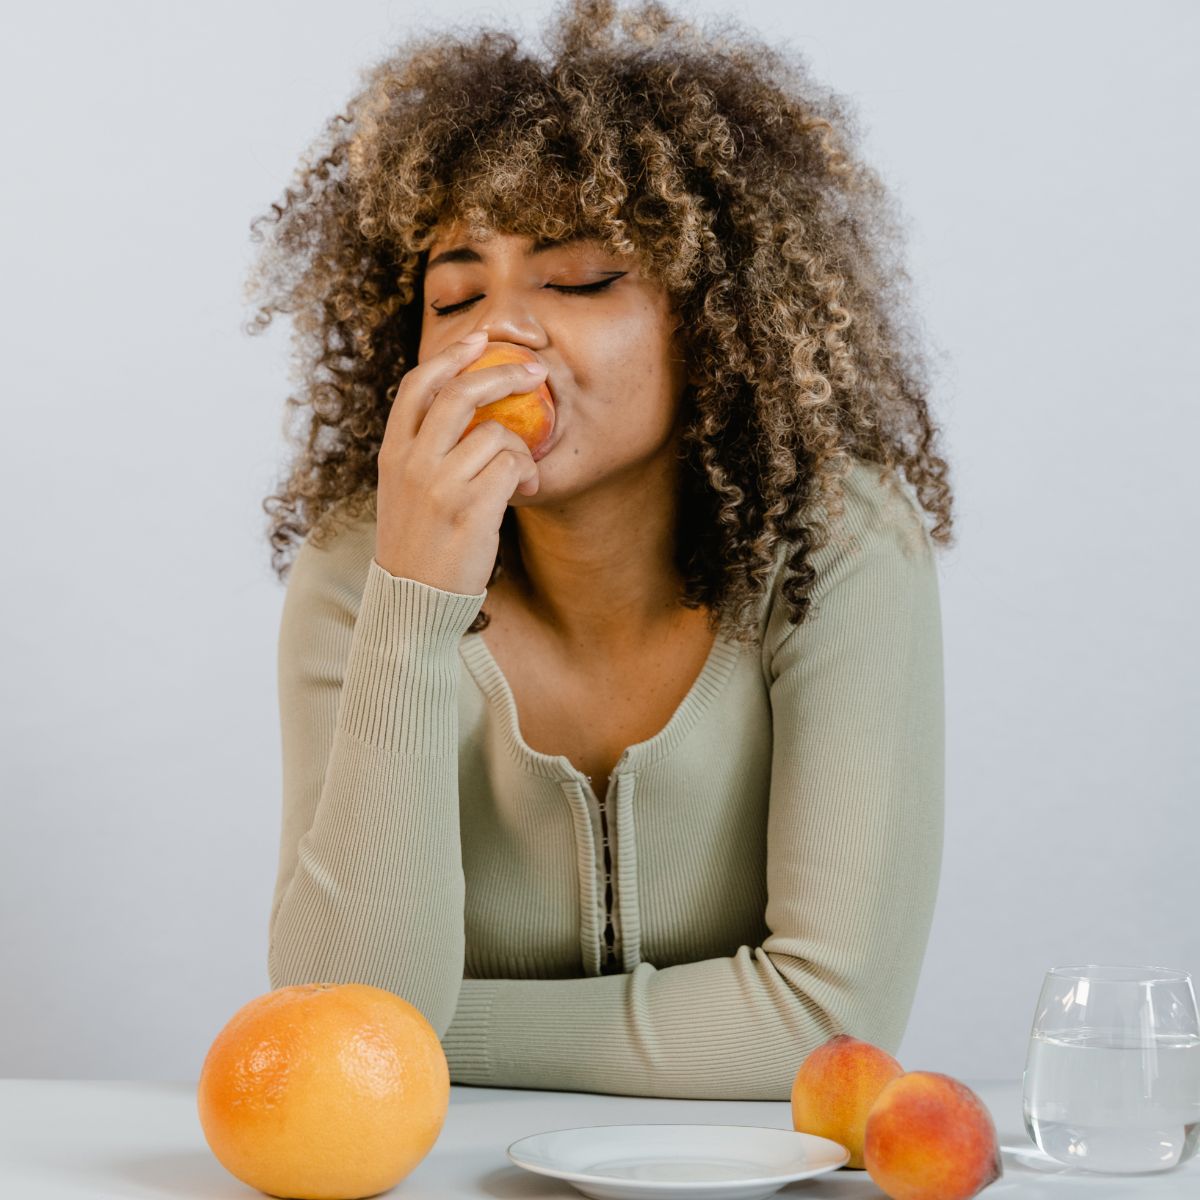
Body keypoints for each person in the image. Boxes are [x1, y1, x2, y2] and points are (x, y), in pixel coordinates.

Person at [247, 0, 956, 1101]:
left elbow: (829, 1023)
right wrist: (413, 600)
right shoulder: (361, 568)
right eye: (455, 293)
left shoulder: (837, 543)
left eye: (578, 279)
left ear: (714, 318)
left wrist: (437, 1035)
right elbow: (346, 1027)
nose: (499, 330)